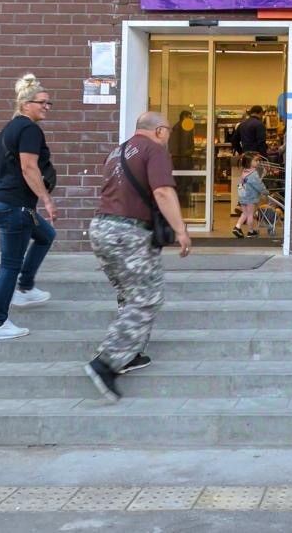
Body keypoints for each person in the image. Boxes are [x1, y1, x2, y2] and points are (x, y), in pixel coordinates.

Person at [84, 111, 191, 402]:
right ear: (159, 130)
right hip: (129, 232)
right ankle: (106, 361)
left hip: (101, 228)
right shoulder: (154, 151)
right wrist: (180, 230)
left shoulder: (117, 152)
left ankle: (128, 354)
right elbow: (163, 192)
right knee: (147, 297)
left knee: (128, 293)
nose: (168, 137)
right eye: (168, 131)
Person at [0, 73, 58, 342]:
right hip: (16, 208)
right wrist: (46, 199)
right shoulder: (29, 129)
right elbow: (29, 167)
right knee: (9, 265)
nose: (46, 107)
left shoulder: (8, 128)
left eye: (49, 103)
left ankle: (25, 287)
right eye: (42, 102)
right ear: (26, 104)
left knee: (46, 234)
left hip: (6, 203)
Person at [232, 153, 267, 239]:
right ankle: (251, 231)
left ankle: (237, 227)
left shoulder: (244, 171)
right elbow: (259, 185)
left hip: (243, 196)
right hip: (250, 198)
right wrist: (265, 191)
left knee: (245, 213)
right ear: (249, 162)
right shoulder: (253, 174)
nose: (258, 162)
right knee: (250, 214)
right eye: (256, 160)